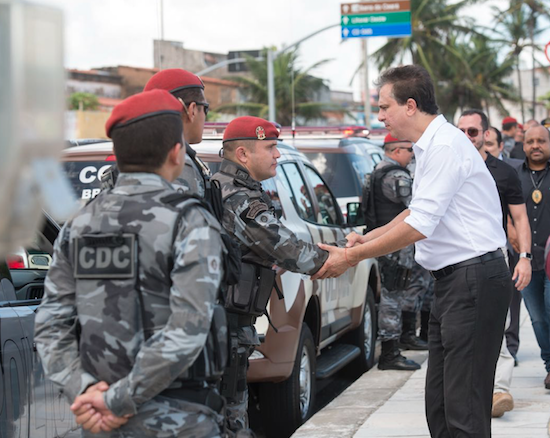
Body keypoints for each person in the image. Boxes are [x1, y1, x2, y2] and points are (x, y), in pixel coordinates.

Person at [313, 65, 513, 437]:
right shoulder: (431, 146)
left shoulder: (444, 146)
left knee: (463, 411)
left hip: (473, 280)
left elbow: (420, 225)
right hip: (456, 283)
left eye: (384, 106)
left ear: (409, 105)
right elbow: (414, 211)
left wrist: (351, 257)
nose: (380, 115)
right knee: (439, 407)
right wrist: (367, 239)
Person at [34, 90, 228, 437]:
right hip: (179, 419)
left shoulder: (78, 225)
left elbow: (50, 325)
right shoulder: (189, 222)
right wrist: (117, 401)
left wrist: (85, 392)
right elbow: (187, 329)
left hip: (99, 422)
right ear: (176, 152)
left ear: (118, 156)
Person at [211, 116, 330, 434]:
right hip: (227, 326)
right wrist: (332, 260)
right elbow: (284, 246)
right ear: (243, 155)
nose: (277, 154)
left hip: (227, 326)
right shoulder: (237, 198)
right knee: (230, 420)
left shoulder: (226, 187)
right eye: (271, 147)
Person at [458, 109, 532, 418]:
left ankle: (499, 390)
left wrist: (525, 258)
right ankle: (467, 392)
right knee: (459, 332)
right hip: (456, 259)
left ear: (486, 134)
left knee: (497, 325)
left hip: (494, 257)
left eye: (472, 131)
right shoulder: (448, 168)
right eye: (460, 130)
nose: (466, 137)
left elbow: (519, 217)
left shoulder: (503, 172)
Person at [363, 133, 426, 371]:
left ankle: (397, 345)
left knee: (395, 295)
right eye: (409, 150)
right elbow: (417, 207)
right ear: (396, 151)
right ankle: (390, 354)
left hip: (385, 243)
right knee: (392, 298)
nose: (412, 155)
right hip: (395, 246)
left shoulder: (375, 172)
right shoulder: (396, 175)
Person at [509, 125, 550, 389]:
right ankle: (549, 364)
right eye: (530, 141)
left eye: (541, 141)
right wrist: (510, 228)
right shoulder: (513, 174)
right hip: (525, 260)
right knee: (537, 318)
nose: (536, 145)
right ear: (523, 146)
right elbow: (500, 207)